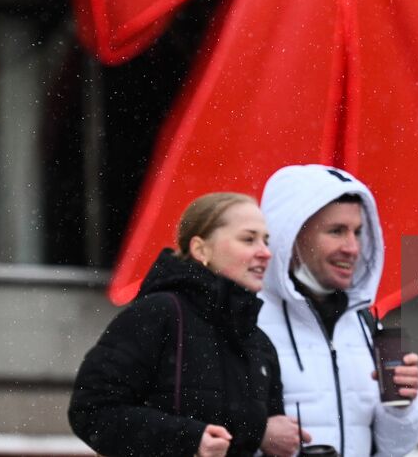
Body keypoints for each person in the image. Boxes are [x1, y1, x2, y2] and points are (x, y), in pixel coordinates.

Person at [68, 193, 305, 457]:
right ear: (201, 249)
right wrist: (189, 440)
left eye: (266, 241)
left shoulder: (257, 341)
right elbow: (91, 411)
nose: (265, 253)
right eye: (248, 239)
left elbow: (237, 430)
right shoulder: (159, 313)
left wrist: (261, 433)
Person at [258, 165, 418, 457]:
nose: (352, 248)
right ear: (290, 236)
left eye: (358, 232)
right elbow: (206, 429)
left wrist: (402, 407)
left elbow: (395, 448)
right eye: (336, 231)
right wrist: (258, 435)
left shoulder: (363, 322)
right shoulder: (244, 320)